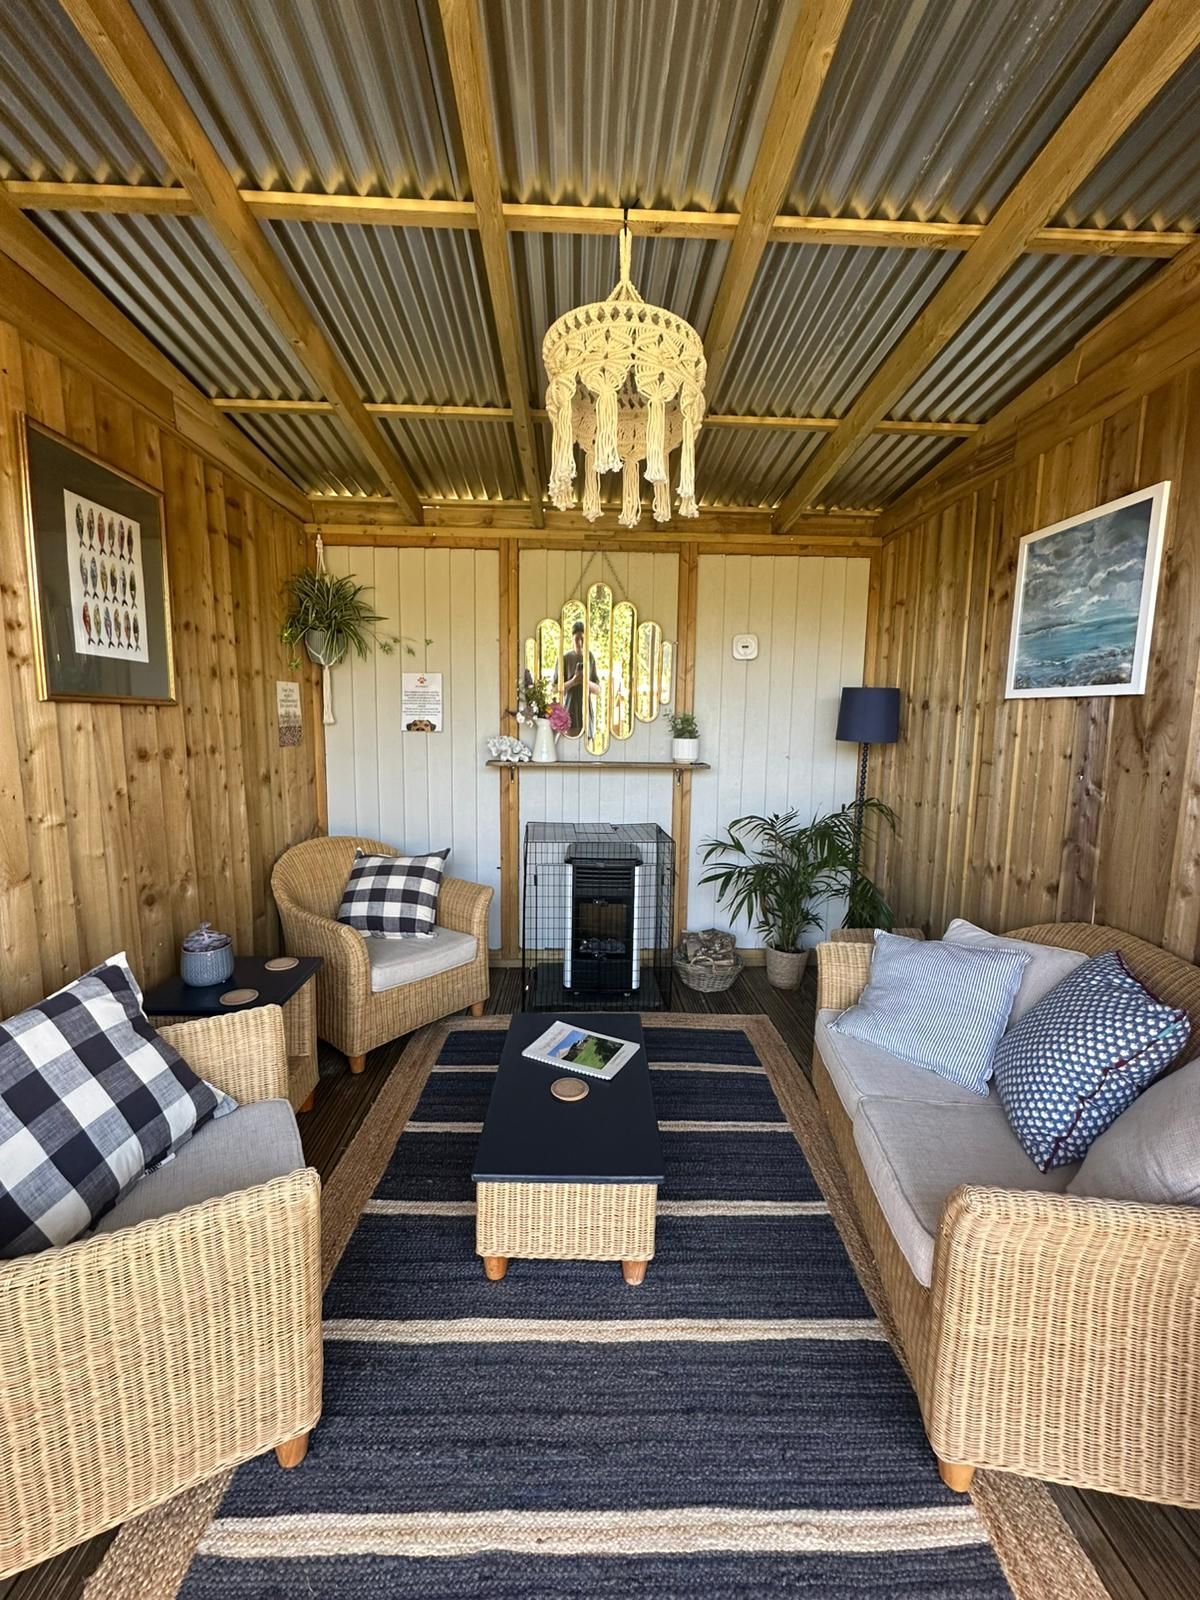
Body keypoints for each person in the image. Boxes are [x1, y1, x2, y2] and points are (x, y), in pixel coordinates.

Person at [561, 619, 599, 738]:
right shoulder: (565, 658)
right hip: (569, 711)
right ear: (572, 639)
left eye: (583, 638)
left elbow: (598, 690)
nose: (580, 642)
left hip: (586, 713)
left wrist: (585, 681)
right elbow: (555, 688)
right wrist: (573, 681)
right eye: (577, 639)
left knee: (587, 744)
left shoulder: (590, 657)